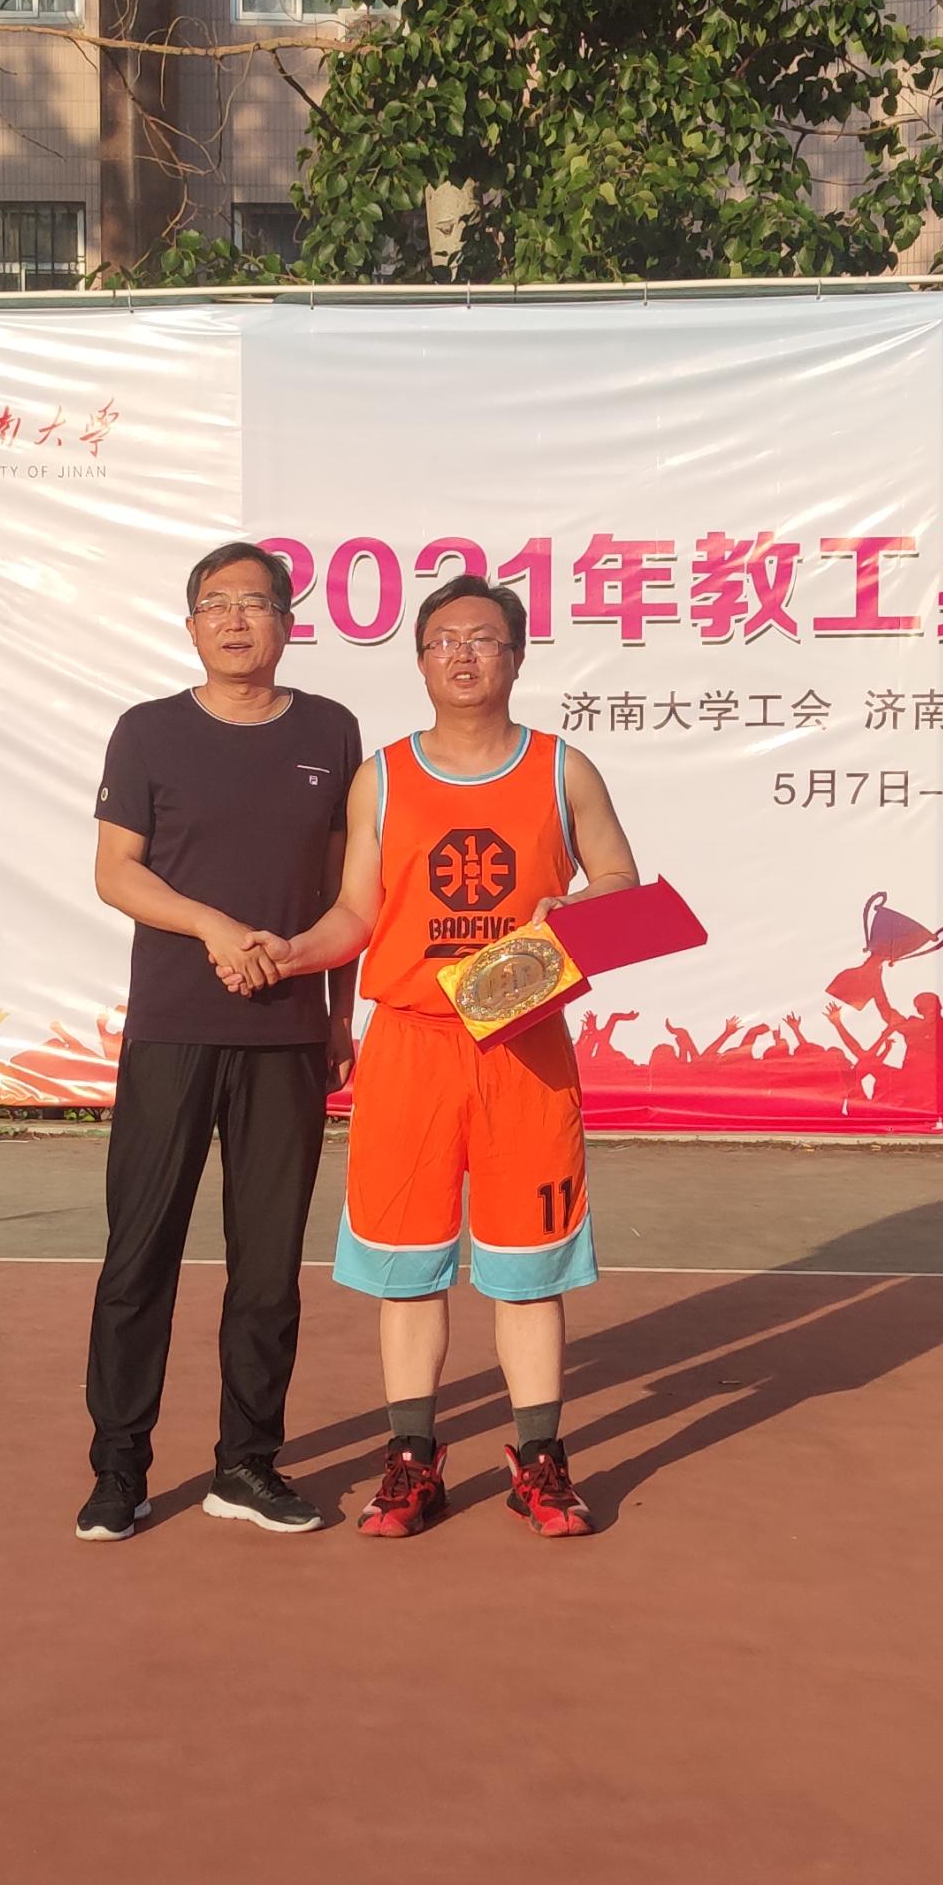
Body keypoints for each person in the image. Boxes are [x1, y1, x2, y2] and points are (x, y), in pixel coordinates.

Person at [266, 571, 639, 1539]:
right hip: (413, 1046)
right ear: (420, 661)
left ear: (515, 656)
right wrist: (292, 953)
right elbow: (357, 913)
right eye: (442, 641)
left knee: (528, 1267)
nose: (462, 655)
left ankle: (540, 1461)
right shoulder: (383, 776)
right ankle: (410, 1459)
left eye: (482, 639)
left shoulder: (562, 769)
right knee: (407, 1265)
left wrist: (577, 907)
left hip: (524, 1044)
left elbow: (620, 881)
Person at [81, 543, 364, 1540]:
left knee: (267, 1267)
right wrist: (212, 928)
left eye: (255, 601)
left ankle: (246, 1465)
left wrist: (337, 1014)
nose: (235, 619)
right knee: (139, 1255)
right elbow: (117, 872)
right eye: (215, 603)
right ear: (191, 625)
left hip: (286, 1033)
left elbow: (344, 889)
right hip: (173, 1028)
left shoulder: (330, 731)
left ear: (288, 620)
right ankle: (118, 1470)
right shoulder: (148, 731)